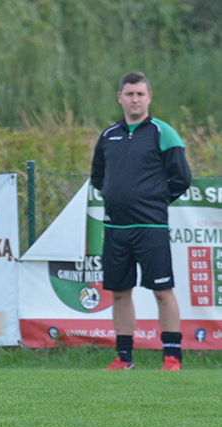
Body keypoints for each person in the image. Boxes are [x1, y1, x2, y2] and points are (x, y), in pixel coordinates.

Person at [90, 71, 191, 371]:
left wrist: (154, 202)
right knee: (119, 294)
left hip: (152, 228)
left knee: (162, 291)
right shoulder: (109, 136)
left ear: (149, 98)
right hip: (116, 229)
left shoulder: (163, 132)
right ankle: (124, 358)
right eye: (129, 94)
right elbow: (98, 177)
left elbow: (181, 179)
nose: (135, 99)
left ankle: (172, 356)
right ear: (120, 98)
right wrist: (115, 196)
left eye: (140, 94)